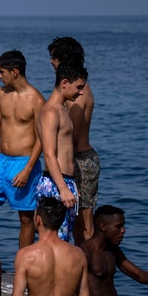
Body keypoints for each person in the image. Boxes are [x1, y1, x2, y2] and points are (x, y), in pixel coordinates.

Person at [0, 50, 45, 249]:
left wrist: (28, 168)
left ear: (15, 72)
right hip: (0, 162)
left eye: (2, 72)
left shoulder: (36, 99)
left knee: (26, 219)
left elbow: (42, 137)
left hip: (23, 163)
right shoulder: (0, 93)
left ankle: (23, 266)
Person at [48, 37, 98, 244]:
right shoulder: (73, 89)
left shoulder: (79, 93)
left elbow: (72, 136)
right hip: (75, 160)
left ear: (65, 59)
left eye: (54, 58)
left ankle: (87, 271)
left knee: (83, 224)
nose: (51, 62)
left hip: (81, 161)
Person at [35, 63, 87, 243]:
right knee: (54, 243)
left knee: (63, 241)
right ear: (64, 83)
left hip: (65, 181)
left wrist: (72, 185)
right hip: (55, 183)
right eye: (79, 87)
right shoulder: (50, 112)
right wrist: (63, 188)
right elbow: (49, 154)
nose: (81, 92)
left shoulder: (62, 109)